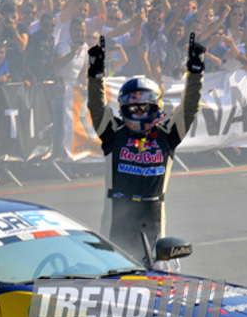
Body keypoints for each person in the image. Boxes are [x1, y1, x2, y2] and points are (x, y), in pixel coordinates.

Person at [86, 33, 205, 263]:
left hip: (154, 217)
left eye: (144, 107)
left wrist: (196, 71)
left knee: (160, 277)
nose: (139, 113)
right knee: (112, 276)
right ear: (123, 108)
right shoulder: (113, 134)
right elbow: (97, 106)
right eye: (133, 108)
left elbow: (189, 108)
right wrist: (95, 73)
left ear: (155, 106)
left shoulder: (168, 135)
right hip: (116, 217)